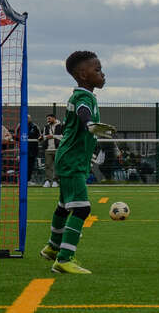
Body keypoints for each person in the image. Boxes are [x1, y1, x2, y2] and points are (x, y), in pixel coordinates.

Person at [40, 50, 112, 274]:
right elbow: (83, 112)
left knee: (64, 206)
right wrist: (90, 124)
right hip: (72, 161)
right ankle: (64, 258)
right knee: (82, 209)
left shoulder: (83, 95)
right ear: (83, 74)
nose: (102, 74)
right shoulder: (83, 97)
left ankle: (53, 247)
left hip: (71, 159)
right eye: (97, 70)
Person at [15, 114, 41, 185]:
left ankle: (28, 180)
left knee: (30, 166)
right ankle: (22, 180)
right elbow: (16, 136)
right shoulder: (20, 126)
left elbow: (39, 137)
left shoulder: (35, 126)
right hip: (22, 150)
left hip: (32, 150)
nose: (27, 119)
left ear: (30, 119)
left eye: (28, 118)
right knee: (22, 166)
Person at [41, 114, 63, 187]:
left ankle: (55, 181)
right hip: (48, 148)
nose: (48, 120)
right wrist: (44, 137)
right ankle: (48, 180)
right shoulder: (46, 127)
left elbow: (63, 137)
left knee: (57, 165)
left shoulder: (61, 126)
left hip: (58, 149)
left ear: (54, 118)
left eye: (49, 118)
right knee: (48, 165)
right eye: (47, 119)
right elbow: (43, 136)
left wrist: (53, 136)